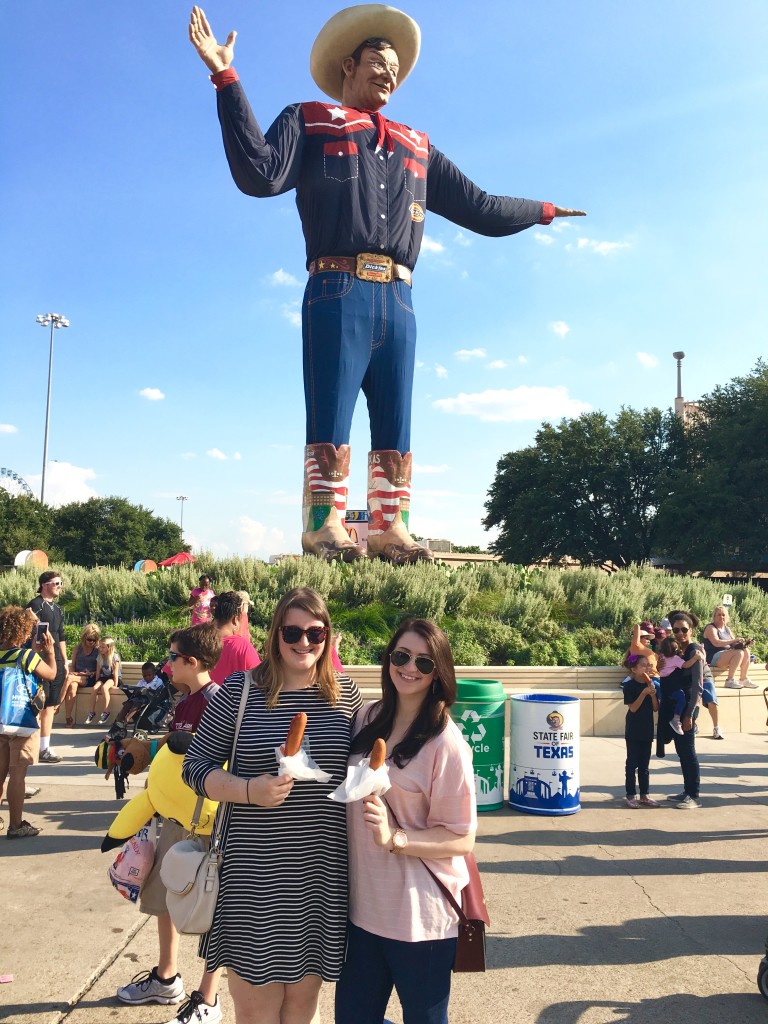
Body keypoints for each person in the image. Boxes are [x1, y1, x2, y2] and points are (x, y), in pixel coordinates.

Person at [188, 4, 585, 565]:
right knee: (330, 408)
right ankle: (323, 523)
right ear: (348, 63)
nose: (389, 73)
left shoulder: (416, 146)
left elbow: (483, 207)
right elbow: (259, 173)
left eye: (396, 67)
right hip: (336, 287)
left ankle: (390, 527)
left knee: (396, 414)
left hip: (399, 294)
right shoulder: (311, 118)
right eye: (378, 60)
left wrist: (542, 210)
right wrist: (226, 79)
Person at [182, 587, 363, 1024]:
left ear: (327, 636)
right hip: (255, 879)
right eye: (292, 632)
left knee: (303, 1008)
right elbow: (196, 768)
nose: (304, 642)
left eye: (315, 633)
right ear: (274, 634)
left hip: (321, 878)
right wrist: (248, 790)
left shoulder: (345, 696)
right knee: (259, 1011)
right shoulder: (240, 692)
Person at [335, 617, 476, 1024]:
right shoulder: (366, 719)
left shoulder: (445, 744)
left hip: (420, 922)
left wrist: (395, 837)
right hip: (362, 913)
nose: (409, 667)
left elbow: (461, 838)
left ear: (439, 673)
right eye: (401, 656)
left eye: (424, 662)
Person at [116, 623, 225, 1023]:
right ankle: (165, 978)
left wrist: (179, 745)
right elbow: (173, 751)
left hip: (206, 825)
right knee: (166, 899)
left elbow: (219, 756)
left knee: (209, 910)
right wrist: (144, 750)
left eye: (172, 656)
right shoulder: (184, 700)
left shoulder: (218, 700)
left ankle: (208, 998)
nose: (166, 663)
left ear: (191, 661)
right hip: (176, 818)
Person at [0, 606, 57, 838]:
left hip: (1, 720)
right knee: (18, 774)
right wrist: (50, 652)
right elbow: (51, 674)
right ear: (22, 631)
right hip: (21, 720)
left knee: (0, 773)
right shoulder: (27, 656)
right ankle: (16, 825)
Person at [657, 611, 704, 809]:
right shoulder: (675, 651)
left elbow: (698, 686)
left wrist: (688, 714)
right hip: (675, 706)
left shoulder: (694, 651)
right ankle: (686, 791)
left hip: (686, 708)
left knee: (687, 751)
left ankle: (693, 795)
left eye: (684, 629)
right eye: (676, 630)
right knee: (681, 751)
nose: (680, 633)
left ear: (691, 630)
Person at [26, 570, 67, 763]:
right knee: (38, 704)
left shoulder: (57, 609)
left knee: (51, 705)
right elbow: (28, 635)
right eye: (56, 583)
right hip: (40, 660)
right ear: (45, 585)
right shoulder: (35, 605)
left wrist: (64, 662)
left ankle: (45, 748)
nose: (59, 587)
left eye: (60, 583)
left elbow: (61, 636)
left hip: (56, 660)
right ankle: (31, 747)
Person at [620, 654, 660, 807]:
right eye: (644, 665)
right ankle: (631, 795)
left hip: (647, 727)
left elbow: (656, 708)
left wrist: (653, 694)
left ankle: (645, 795)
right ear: (634, 669)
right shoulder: (629, 686)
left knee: (645, 764)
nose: (647, 668)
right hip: (633, 728)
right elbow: (633, 708)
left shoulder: (652, 684)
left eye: (649, 665)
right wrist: (644, 693)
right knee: (632, 763)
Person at [209, 591, 262, 686]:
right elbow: (260, 679)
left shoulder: (199, 637)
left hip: (203, 699)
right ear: (235, 620)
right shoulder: (241, 646)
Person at [657, 636, 705, 737]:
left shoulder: (662, 657)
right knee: (682, 700)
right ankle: (676, 719)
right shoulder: (675, 659)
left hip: (664, 687)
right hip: (673, 687)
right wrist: (695, 658)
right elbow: (686, 665)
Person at [702, 604, 756, 689]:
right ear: (714, 616)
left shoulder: (727, 629)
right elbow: (716, 643)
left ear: (726, 617)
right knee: (739, 653)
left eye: (723, 615)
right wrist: (734, 640)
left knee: (745, 651)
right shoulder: (711, 628)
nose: (721, 617)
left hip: (727, 654)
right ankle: (729, 680)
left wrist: (746, 643)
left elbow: (734, 644)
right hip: (713, 656)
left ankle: (743, 679)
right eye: (719, 615)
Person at [61, 623, 101, 727]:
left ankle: (57, 704)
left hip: (90, 678)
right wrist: (74, 672)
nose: (91, 642)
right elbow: (73, 666)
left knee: (69, 678)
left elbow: (100, 670)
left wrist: (91, 673)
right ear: (84, 637)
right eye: (89, 639)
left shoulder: (98, 651)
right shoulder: (77, 649)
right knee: (72, 686)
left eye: (94, 640)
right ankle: (68, 718)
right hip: (78, 677)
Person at [85, 638, 122, 726]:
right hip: (104, 677)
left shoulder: (114, 657)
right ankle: (91, 712)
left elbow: (116, 673)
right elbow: (98, 671)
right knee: (94, 688)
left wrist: (115, 686)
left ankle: (106, 711)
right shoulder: (100, 656)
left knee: (104, 688)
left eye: (103, 647)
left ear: (109, 648)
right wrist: (96, 682)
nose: (100, 649)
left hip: (113, 678)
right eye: (100, 647)